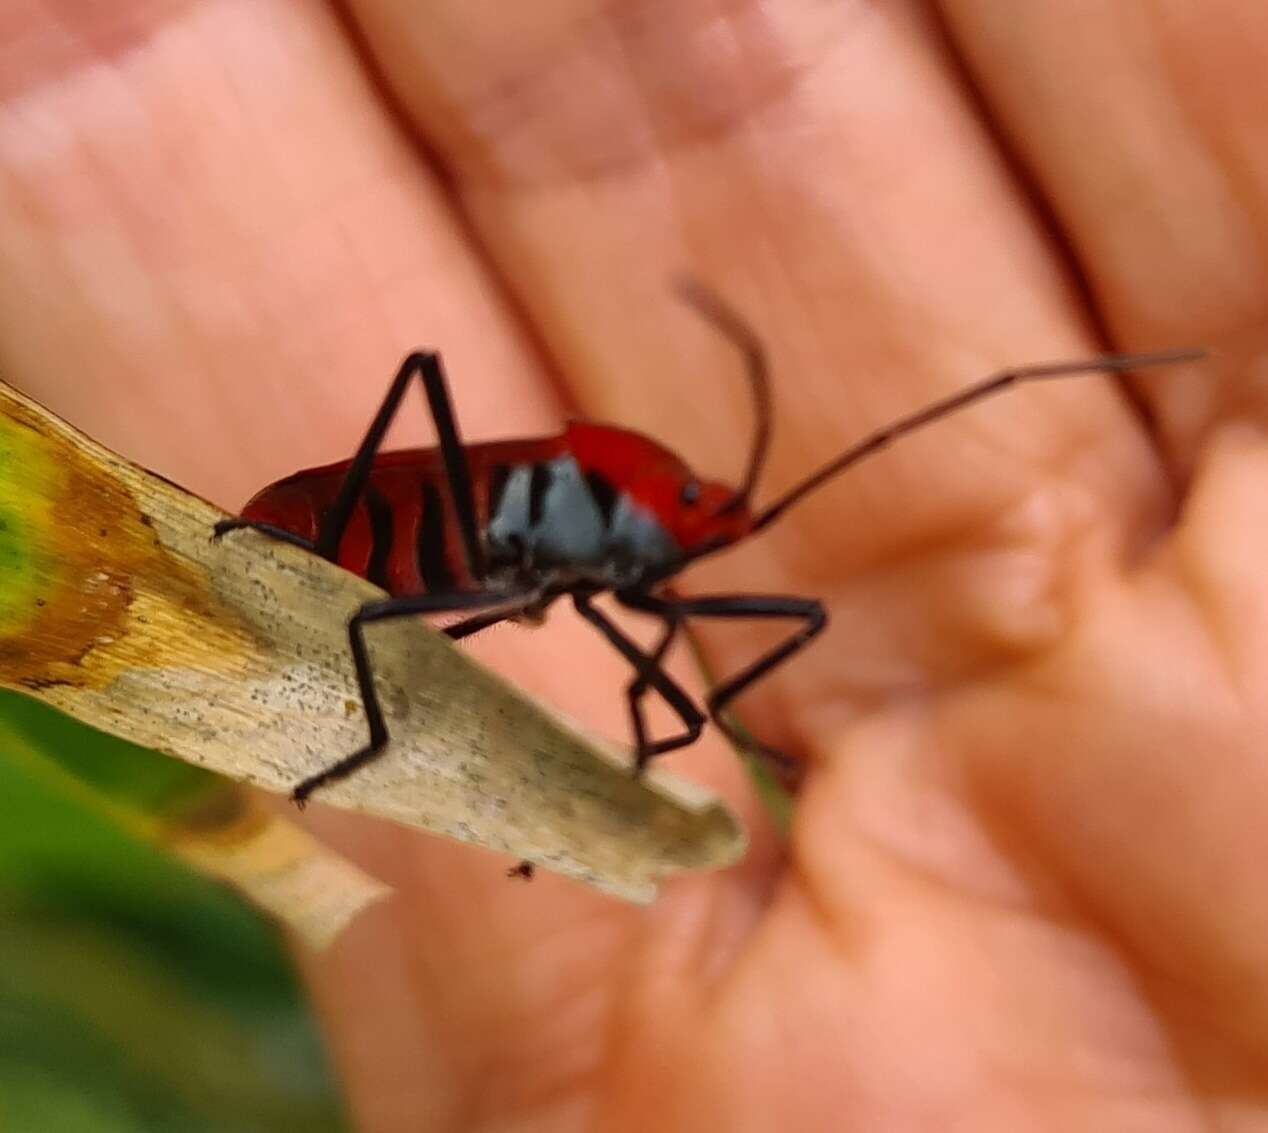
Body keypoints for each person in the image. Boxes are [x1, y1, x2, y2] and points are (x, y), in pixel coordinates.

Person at [5, 2, 1267, 1127]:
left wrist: (706, 728)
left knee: (730, 640)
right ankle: (387, 735)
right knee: (414, 492)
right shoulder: (606, 522)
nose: (713, 539)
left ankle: (623, 743)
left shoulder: (652, 556)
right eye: (701, 521)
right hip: (371, 533)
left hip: (481, 561)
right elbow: (574, 559)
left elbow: (683, 618)